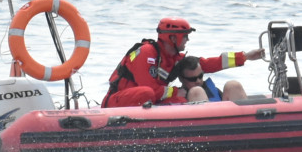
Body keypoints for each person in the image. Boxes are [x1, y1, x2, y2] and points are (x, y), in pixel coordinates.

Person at [101, 17, 265, 107]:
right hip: (120, 101)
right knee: (148, 93)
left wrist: (245, 57)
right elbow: (150, 88)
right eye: (185, 36)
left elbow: (207, 63)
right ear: (172, 37)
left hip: (146, 102)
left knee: (181, 99)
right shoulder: (147, 53)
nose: (187, 39)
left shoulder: (172, 58)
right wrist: (174, 92)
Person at [175, 55, 249, 103]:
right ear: (181, 79)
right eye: (192, 79)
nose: (198, 81)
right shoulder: (179, 97)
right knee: (197, 91)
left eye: (200, 76)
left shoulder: (213, 90)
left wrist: (246, 56)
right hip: (203, 125)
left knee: (233, 85)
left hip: (228, 121)